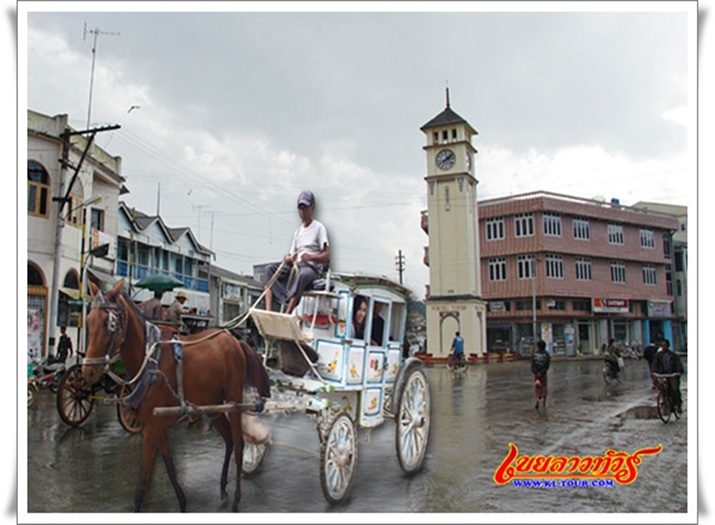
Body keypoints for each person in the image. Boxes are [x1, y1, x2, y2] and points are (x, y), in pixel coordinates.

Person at [263, 190, 330, 314]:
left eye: (305, 208)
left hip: (311, 269)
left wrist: (311, 257)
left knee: (302, 275)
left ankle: (287, 312)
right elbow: (290, 254)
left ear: (312, 208)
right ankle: (269, 311)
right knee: (269, 270)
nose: (302, 211)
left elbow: (327, 256)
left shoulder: (319, 228)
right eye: (300, 208)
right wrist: (288, 259)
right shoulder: (298, 232)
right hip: (296, 266)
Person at [652, 339, 684, 414]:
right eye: (662, 345)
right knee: (663, 388)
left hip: (672, 374)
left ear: (668, 346)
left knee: (674, 389)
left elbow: (678, 364)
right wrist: (655, 371)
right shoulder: (658, 355)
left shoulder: (673, 355)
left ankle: (678, 404)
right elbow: (655, 364)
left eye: (665, 345)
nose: (663, 347)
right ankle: (665, 401)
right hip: (662, 374)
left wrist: (678, 371)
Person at [531, 340, 551, 410]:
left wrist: (536, 372)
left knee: (537, 387)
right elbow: (547, 366)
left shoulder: (534, 355)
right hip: (543, 374)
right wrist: (541, 372)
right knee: (544, 387)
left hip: (536, 374)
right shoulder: (547, 355)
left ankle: (537, 400)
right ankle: (544, 402)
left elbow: (532, 365)